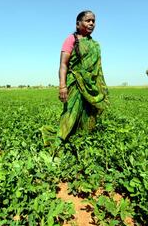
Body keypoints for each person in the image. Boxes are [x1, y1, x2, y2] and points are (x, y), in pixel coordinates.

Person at [41, 10, 109, 145]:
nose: (91, 23)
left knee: (87, 113)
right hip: (74, 83)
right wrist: (62, 86)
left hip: (90, 85)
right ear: (78, 24)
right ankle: (60, 141)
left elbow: (97, 69)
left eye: (93, 21)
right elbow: (63, 64)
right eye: (87, 20)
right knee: (70, 113)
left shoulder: (95, 45)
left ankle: (82, 139)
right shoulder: (71, 39)